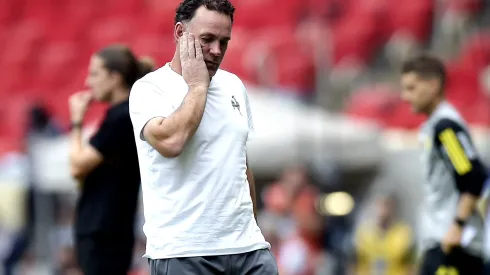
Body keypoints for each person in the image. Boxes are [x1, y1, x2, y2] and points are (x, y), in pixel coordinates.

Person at [128, 0, 278, 274]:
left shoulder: (234, 85)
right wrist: (198, 86)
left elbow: (241, 164)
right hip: (185, 253)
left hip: (249, 251)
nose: (216, 51)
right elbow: (172, 142)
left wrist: (253, 230)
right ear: (179, 33)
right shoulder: (149, 89)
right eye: (207, 39)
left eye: (224, 41)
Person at [68, 45, 154, 275]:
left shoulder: (121, 117)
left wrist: (76, 121)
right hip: (111, 229)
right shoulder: (122, 114)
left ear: (115, 78)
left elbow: (77, 166)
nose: (88, 82)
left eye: (95, 73)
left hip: (103, 231)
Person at [400, 55, 488, 275]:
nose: (405, 96)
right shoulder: (434, 126)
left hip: (453, 245)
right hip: (440, 240)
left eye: (411, 88)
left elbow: (473, 175)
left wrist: (457, 225)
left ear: (433, 85)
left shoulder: (445, 127)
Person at [351, 193, 416, 275]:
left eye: (387, 206)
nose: (384, 210)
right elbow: (353, 262)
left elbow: (411, 265)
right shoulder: (364, 233)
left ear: (393, 209)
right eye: (381, 206)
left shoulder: (405, 234)